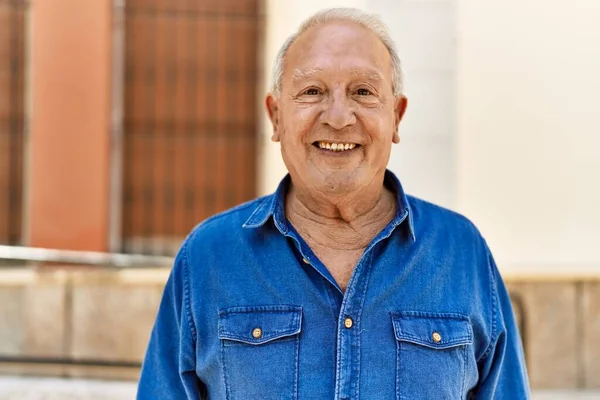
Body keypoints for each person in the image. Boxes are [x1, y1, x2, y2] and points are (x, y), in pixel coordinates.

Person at [137, 7, 530, 399]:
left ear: (396, 117)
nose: (339, 118)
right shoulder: (209, 256)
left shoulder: (461, 253)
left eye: (363, 91)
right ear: (276, 117)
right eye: (312, 92)